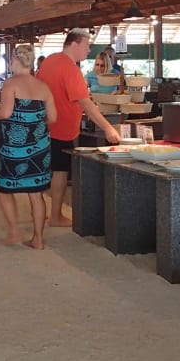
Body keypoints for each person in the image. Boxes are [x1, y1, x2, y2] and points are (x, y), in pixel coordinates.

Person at [37, 28, 121, 227]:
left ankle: (41, 214)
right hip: (62, 128)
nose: (89, 50)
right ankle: (56, 216)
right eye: (86, 45)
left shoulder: (49, 60)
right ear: (74, 44)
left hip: (43, 125)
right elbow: (86, 104)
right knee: (60, 171)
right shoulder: (70, 68)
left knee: (44, 171)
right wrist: (108, 128)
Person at [0, 44, 57, 249]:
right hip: (41, 147)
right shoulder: (43, 87)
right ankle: (38, 239)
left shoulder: (10, 83)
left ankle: (14, 232)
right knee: (36, 193)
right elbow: (53, 117)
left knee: (5, 188)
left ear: (14, 61)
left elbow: (5, 113)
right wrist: (35, 123)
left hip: (16, 148)